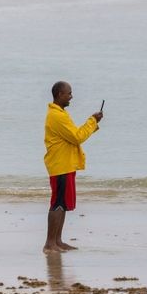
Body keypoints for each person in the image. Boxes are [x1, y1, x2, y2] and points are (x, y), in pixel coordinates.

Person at [43, 81, 103, 253]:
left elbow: (74, 135)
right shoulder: (57, 116)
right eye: (69, 93)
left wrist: (93, 123)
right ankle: (49, 244)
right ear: (59, 95)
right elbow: (77, 137)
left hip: (65, 164)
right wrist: (92, 121)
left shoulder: (60, 113)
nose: (71, 96)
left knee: (63, 204)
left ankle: (57, 241)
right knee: (58, 204)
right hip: (60, 165)